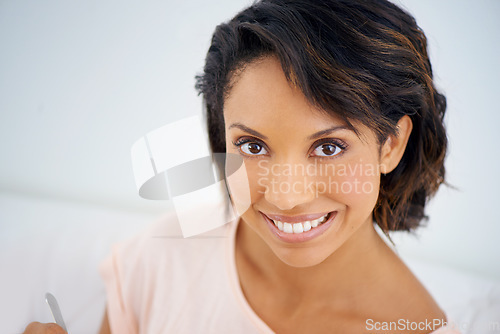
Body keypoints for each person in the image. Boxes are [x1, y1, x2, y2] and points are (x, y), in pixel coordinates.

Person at [24, 0, 460, 333]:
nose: (286, 197)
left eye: (328, 148)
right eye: (252, 145)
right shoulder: (161, 258)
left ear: (391, 144)